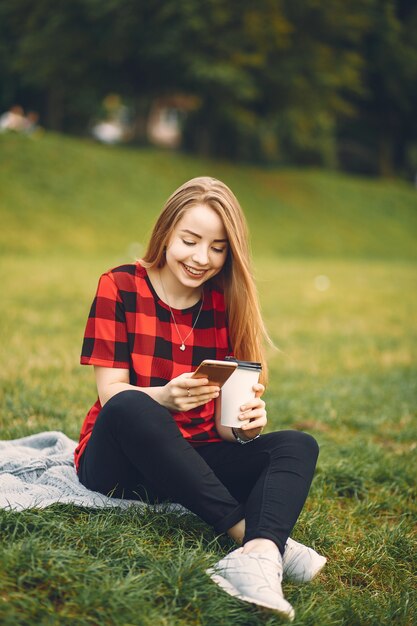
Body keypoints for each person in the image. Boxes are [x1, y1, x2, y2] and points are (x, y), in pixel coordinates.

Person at [75, 177, 326, 620]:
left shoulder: (226, 301)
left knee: (297, 445)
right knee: (131, 404)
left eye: (217, 247)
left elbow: (226, 430)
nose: (200, 258)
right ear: (167, 232)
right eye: (190, 241)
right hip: (117, 463)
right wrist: (165, 398)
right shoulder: (119, 285)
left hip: (195, 459)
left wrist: (247, 424)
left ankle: (258, 556)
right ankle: (252, 537)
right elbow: (110, 392)